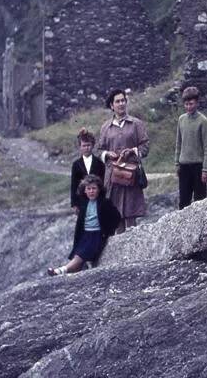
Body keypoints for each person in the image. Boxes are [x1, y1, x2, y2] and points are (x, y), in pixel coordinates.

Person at [96, 88, 149, 232]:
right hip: (114, 177)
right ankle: (120, 250)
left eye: (123, 100)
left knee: (131, 216)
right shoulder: (106, 127)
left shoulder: (136, 124)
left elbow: (145, 146)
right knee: (117, 216)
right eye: (117, 101)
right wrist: (107, 154)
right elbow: (98, 150)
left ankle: (134, 250)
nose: (121, 104)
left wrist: (133, 151)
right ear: (112, 106)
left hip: (131, 175)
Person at [47, 175, 120, 276]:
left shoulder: (104, 202)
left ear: (99, 189)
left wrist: (108, 232)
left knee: (79, 257)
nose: (91, 191)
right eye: (88, 189)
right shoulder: (84, 203)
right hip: (85, 235)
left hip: (97, 235)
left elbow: (117, 217)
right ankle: (70, 273)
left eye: (94, 188)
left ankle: (59, 271)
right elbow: (80, 223)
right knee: (78, 257)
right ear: (84, 191)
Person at [174, 86, 207, 209]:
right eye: (186, 104)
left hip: (198, 167)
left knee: (200, 202)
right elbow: (178, 143)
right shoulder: (181, 119)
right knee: (184, 202)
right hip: (184, 167)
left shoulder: (203, 121)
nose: (188, 107)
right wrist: (177, 163)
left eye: (191, 104)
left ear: (197, 102)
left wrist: (206, 170)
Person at [70, 128, 106, 213]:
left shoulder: (99, 163)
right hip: (82, 201)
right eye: (84, 146)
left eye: (88, 145)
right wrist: (74, 204)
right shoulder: (76, 164)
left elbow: (103, 182)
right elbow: (74, 185)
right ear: (80, 147)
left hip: (98, 200)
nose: (86, 148)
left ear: (93, 145)